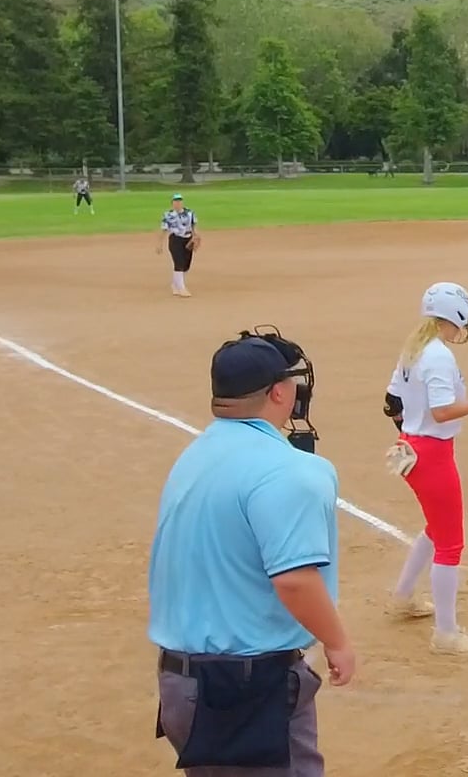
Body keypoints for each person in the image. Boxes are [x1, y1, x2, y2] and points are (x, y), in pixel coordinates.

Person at [148, 327, 352, 776]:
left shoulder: (195, 455)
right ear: (278, 392)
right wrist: (338, 642)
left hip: (181, 685)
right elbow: (294, 579)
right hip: (246, 691)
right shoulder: (293, 470)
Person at [382, 282, 468, 656]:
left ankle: (404, 595)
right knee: (450, 543)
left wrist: (410, 431)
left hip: (413, 447)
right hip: (432, 454)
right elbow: (442, 412)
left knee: (436, 528)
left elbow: (391, 401)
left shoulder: (415, 347)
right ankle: (446, 633)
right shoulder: (438, 356)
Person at [156, 193, 201, 297]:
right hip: (175, 239)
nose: (178, 203)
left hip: (188, 239)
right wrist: (160, 244)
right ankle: (181, 288)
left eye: (180, 201)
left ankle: (175, 284)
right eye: (176, 201)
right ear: (172, 203)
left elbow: (194, 226)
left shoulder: (190, 213)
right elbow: (164, 230)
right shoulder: (168, 215)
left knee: (186, 265)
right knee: (179, 263)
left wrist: (196, 236)